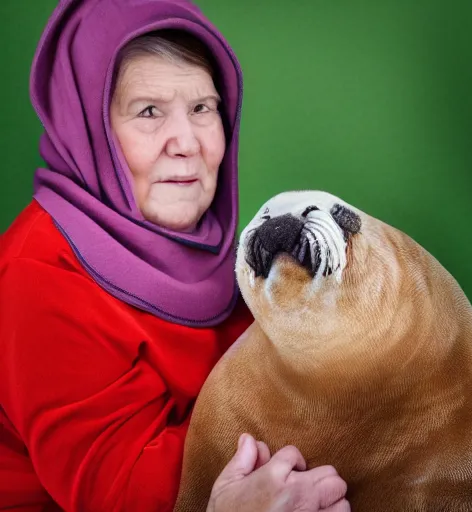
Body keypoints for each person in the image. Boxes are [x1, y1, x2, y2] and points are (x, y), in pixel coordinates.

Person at [0, 1, 349, 511]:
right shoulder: (39, 276)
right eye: (148, 111)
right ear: (88, 132)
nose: (186, 142)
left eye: (203, 109)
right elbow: (126, 494)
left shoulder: (213, 247)